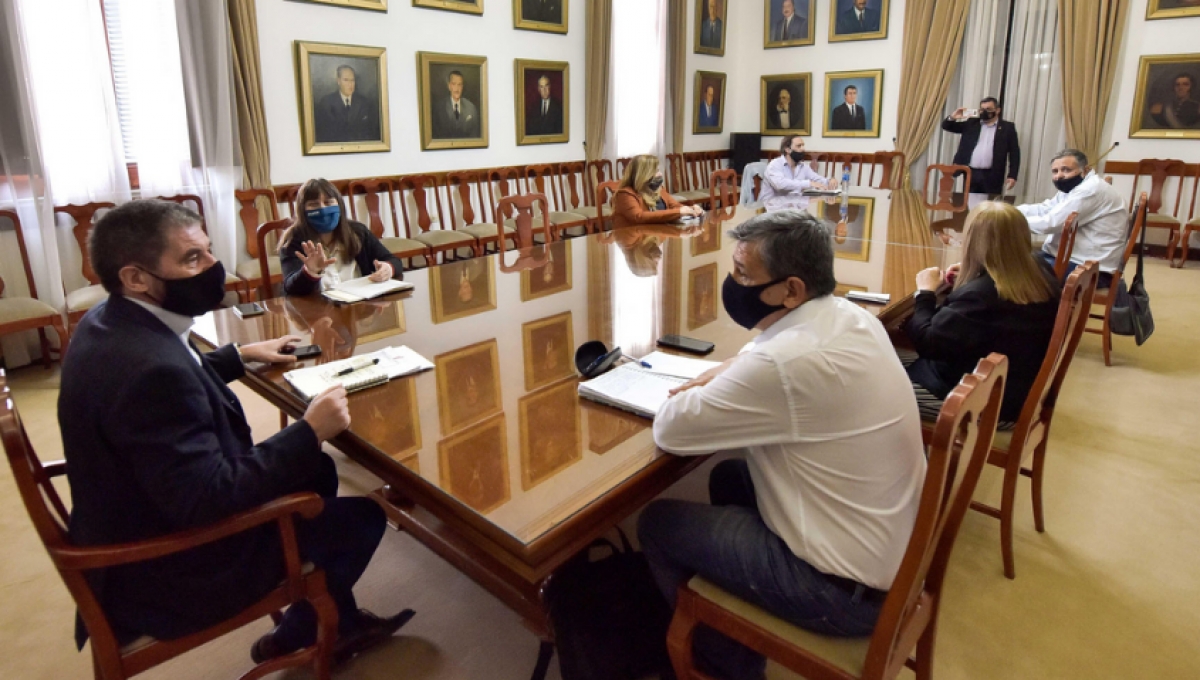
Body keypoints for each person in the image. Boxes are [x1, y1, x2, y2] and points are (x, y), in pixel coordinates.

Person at [58, 200, 413, 667]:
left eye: (208, 250)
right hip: (169, 568)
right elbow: (207, 497)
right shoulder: (148, 371)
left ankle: (335, 619)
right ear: (136, 277)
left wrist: (240, 355)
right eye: (193, 258)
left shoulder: (112, 321)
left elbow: (173, 373)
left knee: (317, 470)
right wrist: (309, 430)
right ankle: (299, 631)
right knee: (363, 517)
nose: (214, 266)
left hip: (137, 511)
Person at [638, 211, 926, 680]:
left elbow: (671, 428)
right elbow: (769, 355)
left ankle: (718, 667)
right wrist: (737, 367)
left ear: (791, 290)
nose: (732, 283)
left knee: (657, 523)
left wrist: (719, 377)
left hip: (838, 593)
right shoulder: (850, 316)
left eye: (742, 274)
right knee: (730, 475)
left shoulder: (785, 363)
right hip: (893, 556)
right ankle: (733, 631)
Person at [902, 202, 1061, 426]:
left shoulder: (979, 296)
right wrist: (979, 271)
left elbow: (927, 343)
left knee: (872, 385)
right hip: (1016, 391)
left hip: (979, 404)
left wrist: (925, 293)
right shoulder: (1040, 268)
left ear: (972, 241)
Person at [1016, 148, 1127, 289]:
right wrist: (1010, 210)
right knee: (1011, 263)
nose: (1059, 176)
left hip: (1090, 270)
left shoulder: (1089, 190)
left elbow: (1051, 224)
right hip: (1069, 258)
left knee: (1011, 273)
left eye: (1066, 170)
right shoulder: (1076, 187)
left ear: (1085, 170)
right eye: (1055, 171)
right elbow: (1046, 208)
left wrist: (1009, 220)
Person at [279, 178, 405, 297]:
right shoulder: (292, 240)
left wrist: (388, 268)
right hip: (320, 307)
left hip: (360, 304)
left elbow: (393, 260)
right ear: (302, 210)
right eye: (314, 204)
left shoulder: (357, 231)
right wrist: (309, 272)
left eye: (328, 202)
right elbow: (290, 289)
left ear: (339, 204)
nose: (323, 208)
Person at [941, 97, 1021, 195]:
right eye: (982, 109)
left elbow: (1014, 153)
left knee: (990, 202)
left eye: (988, 109)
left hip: (993, 174)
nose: (985, 112)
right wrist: (953, 117)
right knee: (968, 201)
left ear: (997, 110)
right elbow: (947, 126)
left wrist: (1012, 175)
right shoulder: (972, 123)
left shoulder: (1007, 128)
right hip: (971, 172)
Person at [610, 154, 703, 231]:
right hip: (635, 240)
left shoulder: (659, 189)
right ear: (644, 175)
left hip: (656, 235)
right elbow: (639, 217)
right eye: (656, 171)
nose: (660, 174)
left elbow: (675, 206)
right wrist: (679, 212)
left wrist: (692, 209)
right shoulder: (625, 194)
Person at [758, 135, 831, 211]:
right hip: (772, 209)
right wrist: (808, 183)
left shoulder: (803, 166)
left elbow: (817, 179)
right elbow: (780, 184)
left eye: (803, 145)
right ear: (787, 149)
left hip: (794, 208)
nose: (803, 149)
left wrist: (829, 181)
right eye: (799, 146)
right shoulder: (774, 165)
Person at [314, 65, 380, 143]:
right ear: (338, 81)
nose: (350, 84)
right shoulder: (326, 102)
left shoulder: (365, 103)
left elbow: (372, 133)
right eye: (346, 80)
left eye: (352, 80)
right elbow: (323, 133)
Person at [432, 70, 481, 139]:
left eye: (459, 84)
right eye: (454, 84)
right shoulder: (439, 108)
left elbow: (475, 135)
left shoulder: (471, 108)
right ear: (449, 86)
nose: (457, 89)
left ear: (462, 87)